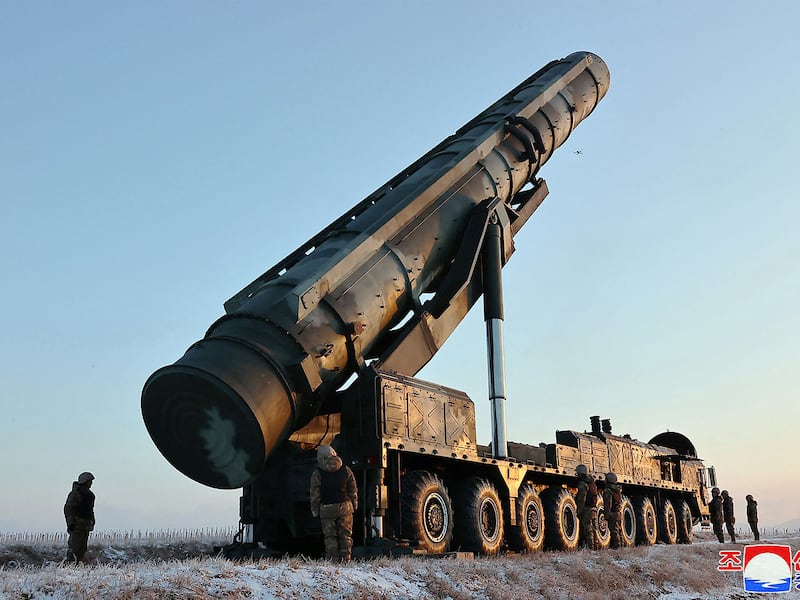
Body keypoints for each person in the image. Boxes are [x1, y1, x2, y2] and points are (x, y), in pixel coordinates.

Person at [309, 445, 358, 562]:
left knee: (330, 537)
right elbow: (353, 489)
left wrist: (315, 511)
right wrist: (354, 504)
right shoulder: (345, 469)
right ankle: (346, 560)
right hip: (345, 507)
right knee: (345, 535)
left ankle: (332, 561)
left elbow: (315, 495)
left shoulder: (317, 473)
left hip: (327, 509)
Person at [63, 471, 95, 562]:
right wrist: (70, 523)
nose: (91, 483)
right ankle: (70, 566)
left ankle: (78, 566)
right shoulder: (75, 494)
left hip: (85, 525)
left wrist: (92, 521)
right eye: (90, 481)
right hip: (76, 525)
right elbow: (69, 509)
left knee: (82, 549)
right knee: (74, 548)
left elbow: (90, 510)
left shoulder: (91, 495)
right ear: (85, 481)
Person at [574, 464, 598, 550]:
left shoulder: (582, 484)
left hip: (586, 508)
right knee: (593, 529)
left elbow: (582, 498)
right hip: (593, 508)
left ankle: (590, 548)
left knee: (587, 529)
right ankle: (595, 547)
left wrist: (579, 511)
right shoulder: (592, 482)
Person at [602, 472, 623, 548]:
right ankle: (620, 546)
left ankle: (616, 547)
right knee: (619, 531)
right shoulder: (617, 490)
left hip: (612, 513)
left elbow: (608, 504)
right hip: (618, 513)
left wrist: (606, 515)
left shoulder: (608, 490)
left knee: (614, 531)